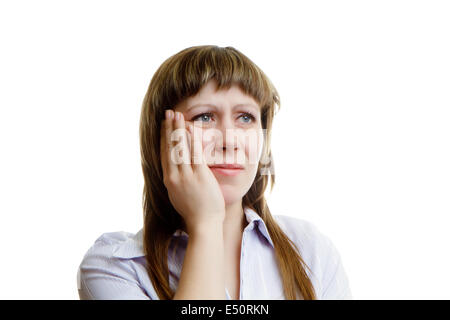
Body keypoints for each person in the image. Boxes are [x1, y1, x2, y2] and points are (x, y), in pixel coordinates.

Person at [77, 45, 352, 300]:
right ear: (161, 139)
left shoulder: (312, 252)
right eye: (204, 117)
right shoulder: (114, 267)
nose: (229, 141)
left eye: (246, 117)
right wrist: (206, 224)